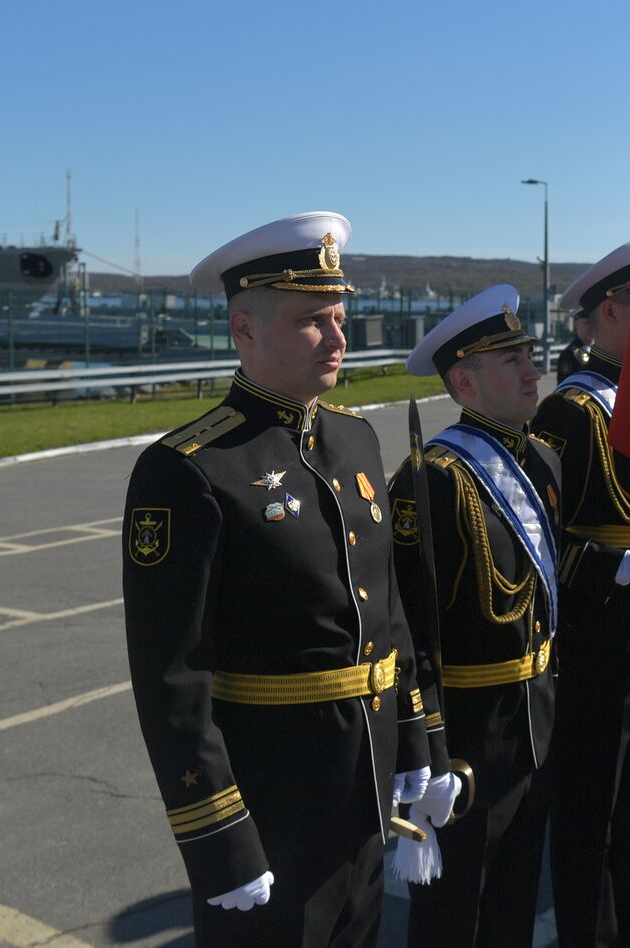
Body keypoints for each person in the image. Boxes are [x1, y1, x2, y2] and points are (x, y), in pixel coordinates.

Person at [122, 212, 430, 945]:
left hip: (363, 786)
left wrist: (413, 742)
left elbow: (386, 614)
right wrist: (217, 838)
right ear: (244, 329)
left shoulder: (353, 437)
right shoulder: (189, 470)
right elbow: (171, 678)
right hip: (270, 806)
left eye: (338, 315)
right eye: (310, 321)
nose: (337, 336)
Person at [389, 285, 561, 945]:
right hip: (467, 734)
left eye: (529, 353)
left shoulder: (539, 460)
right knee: (454, 914)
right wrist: (424, 748)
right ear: (464, 381)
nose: (532, 370)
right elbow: (413, 631)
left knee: (514, 902)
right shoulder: (432, 478)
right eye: (511, 358)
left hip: (536, 721)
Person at [532, 236, 630, 948]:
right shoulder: (571, 413)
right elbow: (543, 549)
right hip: (594, 651)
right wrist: (621, 568)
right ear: (609, 313)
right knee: (590, 823)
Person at [556, 308, 594, 382]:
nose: (593, 327)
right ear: (576, 324)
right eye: (588, 322)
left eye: (596, 322)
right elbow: (565, 388)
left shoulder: (605, 350)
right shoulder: (568, 355)